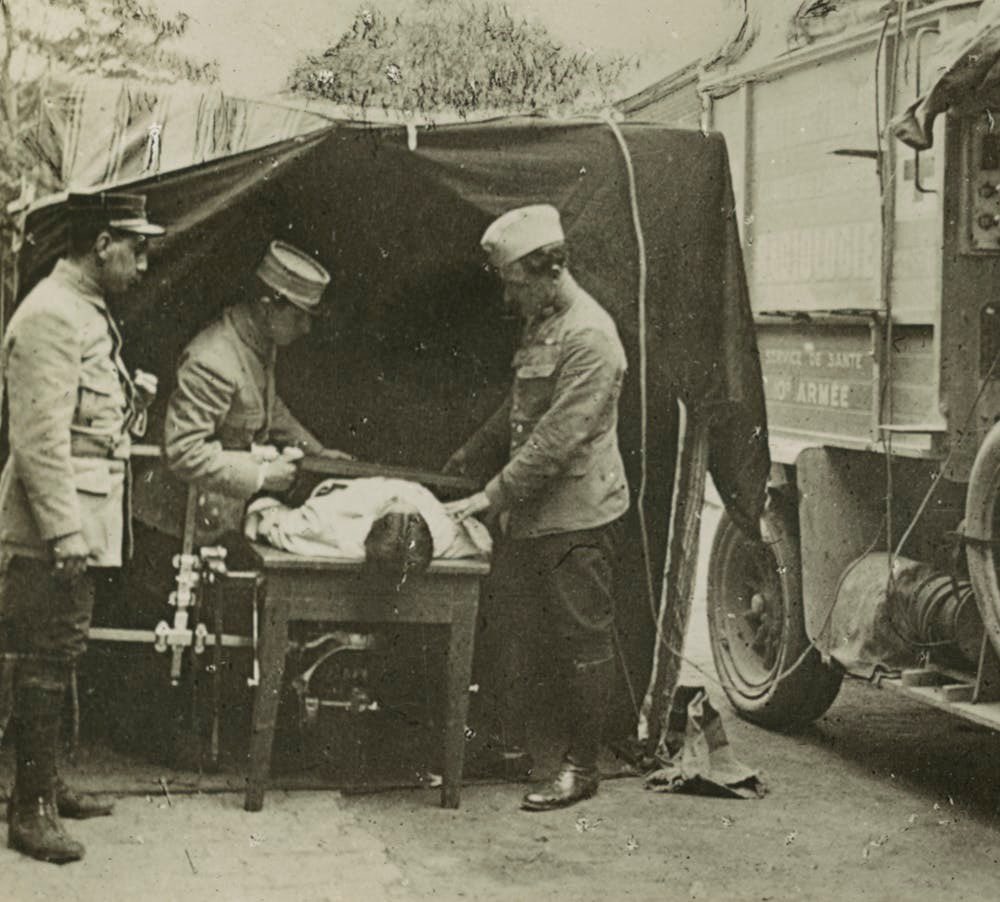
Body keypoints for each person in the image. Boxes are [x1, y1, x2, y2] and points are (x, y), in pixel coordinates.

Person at [444, 204, 629, 812]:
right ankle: (514, 746)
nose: (509, 298)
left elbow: (557, 439)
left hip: (576, 516)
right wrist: (474, 449)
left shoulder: (591, 336)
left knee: (582, 640)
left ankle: (582, 767)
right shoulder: (544, 322)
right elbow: (521, 406)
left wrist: (491, 494)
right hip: (531, 513)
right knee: (517, 633)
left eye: (515, 284)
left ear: (549, 270)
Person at [0, 192, 164, 863]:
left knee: (60, 650)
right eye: (137, 248)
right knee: (43, 657)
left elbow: (89, 427)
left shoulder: (81, 310)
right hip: (48, 529)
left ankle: (45, 785)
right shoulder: (51, 315)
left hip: (74, 519)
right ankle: (30, 811)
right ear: (102, 244)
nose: (143, 265)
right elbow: (38, 440)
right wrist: (64, 533)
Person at [159, 240, 352, 544]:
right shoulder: (213, 360)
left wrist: (317, 453)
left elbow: (266, 406)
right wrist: (262, 476)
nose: (306, 328)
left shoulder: (257, 343)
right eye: (299, 316)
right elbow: (184, 452)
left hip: (212, 520)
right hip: (172, 528)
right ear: (266, 306)